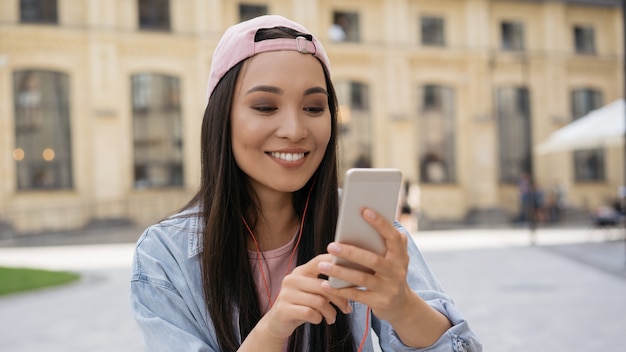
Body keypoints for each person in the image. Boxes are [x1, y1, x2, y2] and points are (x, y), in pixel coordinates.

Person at [130, 15, 482, 352]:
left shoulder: (367, 228)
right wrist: (275, 325)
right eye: (266, 106)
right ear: (221, 118)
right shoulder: (165, 256)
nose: (296, 131)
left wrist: (402, 305)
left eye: (314, 108)